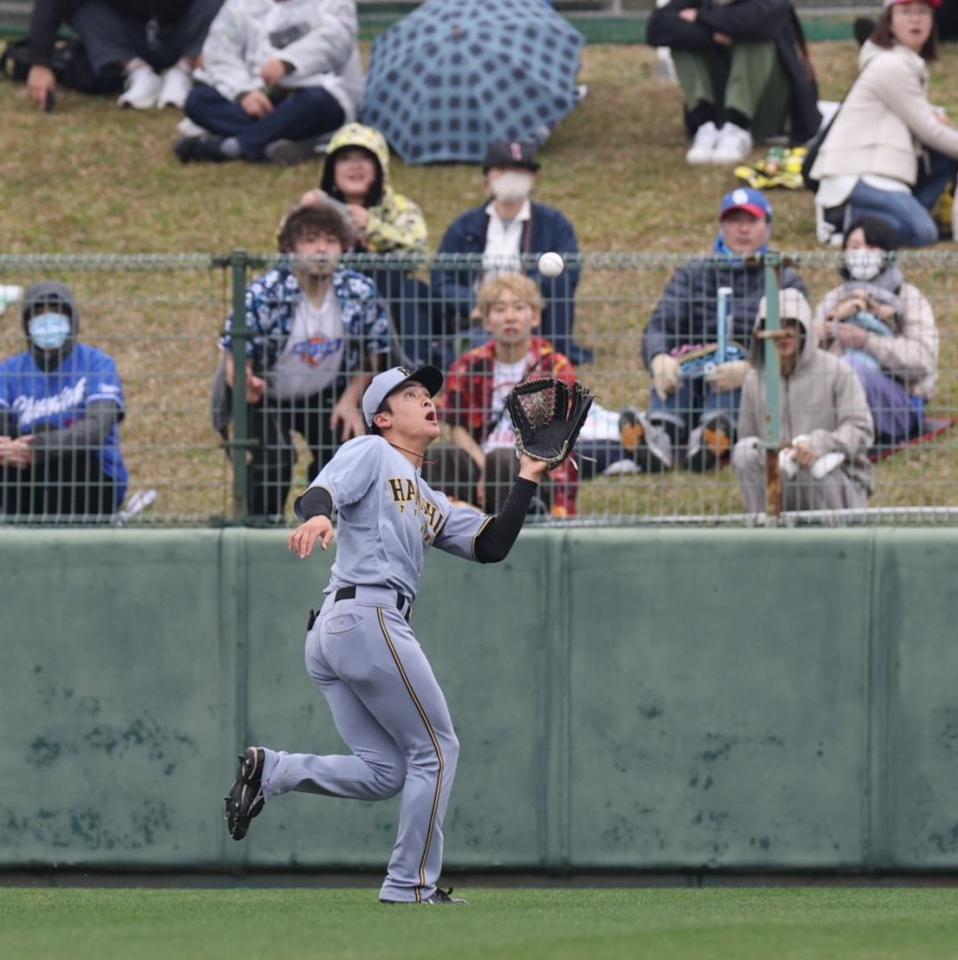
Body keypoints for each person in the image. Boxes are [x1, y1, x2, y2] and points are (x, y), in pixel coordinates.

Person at [223, 363, 555, 905]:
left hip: (342, 628)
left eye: (427, 393)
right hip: (366, 614)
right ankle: (410, 886)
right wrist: (318, 516)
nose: (426, 399)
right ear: (382, 417)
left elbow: (491, 546)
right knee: (439, 750)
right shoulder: (372, 451)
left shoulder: (429, 498)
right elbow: (321, 489)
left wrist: (528, 477)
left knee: (386, 772)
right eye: (409, 394)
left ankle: (274, 770)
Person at [219, 202, 392, 519]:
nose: (321, 250)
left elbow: (374, 354)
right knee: (275, 459)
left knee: (343, 450)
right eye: (310, 240)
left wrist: (350, 401)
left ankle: (329, 526)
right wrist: (244, 379)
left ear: (343, 247)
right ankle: (260, 527)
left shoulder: (359, 290)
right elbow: (234, 348)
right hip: (268, 395)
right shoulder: (265, 293)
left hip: (327, 393)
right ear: (290, 248)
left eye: (330, 241)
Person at [433, 273, 634, 516]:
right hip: (483, 462)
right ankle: (440, 532)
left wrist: (497, 466)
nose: (509, 316)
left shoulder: (555, 367)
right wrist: (484, 465)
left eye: (519, 308)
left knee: (504, 461)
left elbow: (556, 438)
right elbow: (455, 425)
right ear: (486, 320)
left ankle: (506, 537)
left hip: (535, 471)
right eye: (499, 309)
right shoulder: (469, 364)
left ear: (535, 317)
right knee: (441, 456)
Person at [637, 188, 806, 472]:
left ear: (767, 226)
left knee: (732, 389)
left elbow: (797, 341)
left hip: (751, 380)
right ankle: (660, 437)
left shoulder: (784, 278)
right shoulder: (693, 274)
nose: (742, 229)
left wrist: (754, 369)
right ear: (721, 226)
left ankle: (712, 439)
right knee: (676, 381)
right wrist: (658, 358)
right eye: (733, 220)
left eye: (751, 221)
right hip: (694, 371)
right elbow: (661, 323)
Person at [810, 0, 958, 249]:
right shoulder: (891, 65)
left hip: (890, 172)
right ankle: (844, 221)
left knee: (946, 159)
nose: (916, 19)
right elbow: (930, 132)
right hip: (858, 174)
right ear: (889, 22)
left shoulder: (907, 63)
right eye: (906, 12)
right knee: (923, 232)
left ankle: (868, 221)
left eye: (923, 12)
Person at [432, 140, 592, 366]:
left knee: (559, 280)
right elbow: (441, 280)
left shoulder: (554, 224)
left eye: (519, 171)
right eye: (502, 170)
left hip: (533, 316)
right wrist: (474, 304)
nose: (510, 178)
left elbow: (570, 270)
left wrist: (523, 299)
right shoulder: (464, 226)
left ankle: (552, 357)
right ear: (487, 179)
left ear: (534, 179)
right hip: (479, 317)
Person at [733, 289, 874, 514]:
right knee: (744, 452)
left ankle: (831, 544)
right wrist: (776, 452)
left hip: (836, 486)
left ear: (804, 329)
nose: (783, 333)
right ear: (761, 333)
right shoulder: (754, 380)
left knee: (810, 465)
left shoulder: (838, 370)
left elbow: (861, 430)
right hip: (780, 482)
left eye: (790, 324)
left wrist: (817, 444)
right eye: (773, 325)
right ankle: (763, 531)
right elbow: (747, 439)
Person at [300, 123, 431, 364]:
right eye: (345, 159)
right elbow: (286, 245)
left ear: (380, 167)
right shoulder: (317, 205)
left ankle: (412, 371)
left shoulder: (400, 207)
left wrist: (372, 226)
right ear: (332, 169)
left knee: (414, 290)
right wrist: (301, 213)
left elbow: (418, 249)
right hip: (328, 298)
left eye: (364, 158)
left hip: (388, 303)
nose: (355, 166)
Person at [175, 0, 363, 165]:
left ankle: (232, 147)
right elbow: (220, 55)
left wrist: (288, 62)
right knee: (198, 100)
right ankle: (276, 142)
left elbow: (336, 39)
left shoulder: (333, 3)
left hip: (311, 94)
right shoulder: (239, 5)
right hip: (256, 99)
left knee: (317, 103)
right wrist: (244, 93)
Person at [0, 282, 128, 518]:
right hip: (25, 482)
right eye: (39, 314)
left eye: (56, 312)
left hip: (90, 481)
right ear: (27, 324)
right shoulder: (9, 371)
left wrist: (41, 447)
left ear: (72, 319)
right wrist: (6, 447)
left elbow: (97, 426)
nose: (47, 321)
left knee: (51, 435)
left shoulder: (97, 363)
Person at [814, 218, 938, 449]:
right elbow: (806, 355)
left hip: (898, 401)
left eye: (872, 247)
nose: (862, 253)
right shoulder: (834, 298)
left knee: (854, 366)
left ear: (888, 254)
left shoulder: (909, 298)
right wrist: (830, 326)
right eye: (854, 246)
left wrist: (867, 341)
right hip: (833, 397)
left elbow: (923, 361)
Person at [646, 0, 820, 166]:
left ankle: (738, 126)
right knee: (682, 43)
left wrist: (701, 17)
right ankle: (706, 125)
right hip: (719, 105)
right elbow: (657, 28)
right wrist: (715, 34)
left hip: (770, 107)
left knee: (754, 39)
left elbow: (757, 22)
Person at [25, 0, 223, 111]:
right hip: (127, 39)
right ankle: (138, 73)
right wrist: (40, 64)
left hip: (183, 36)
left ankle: (181, 73)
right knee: (85, 10)